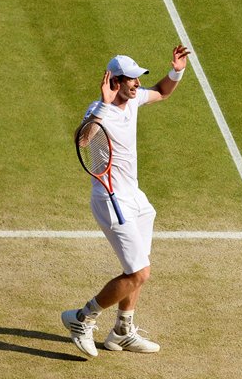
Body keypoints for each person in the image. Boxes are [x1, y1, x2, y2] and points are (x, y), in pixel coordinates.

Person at [61, 45, 190, 357]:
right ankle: (82, 317)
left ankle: (122, 330)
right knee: (139, 273)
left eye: (136, 79)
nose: (136, 83)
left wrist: (176, 70)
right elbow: (83, 140)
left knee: (138, 267)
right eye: (131, 79)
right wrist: (104, 106)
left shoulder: (133, 101)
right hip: (110, 199)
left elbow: (161, 91)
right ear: (114, 82)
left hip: (136, 198)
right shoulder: (98, 110)